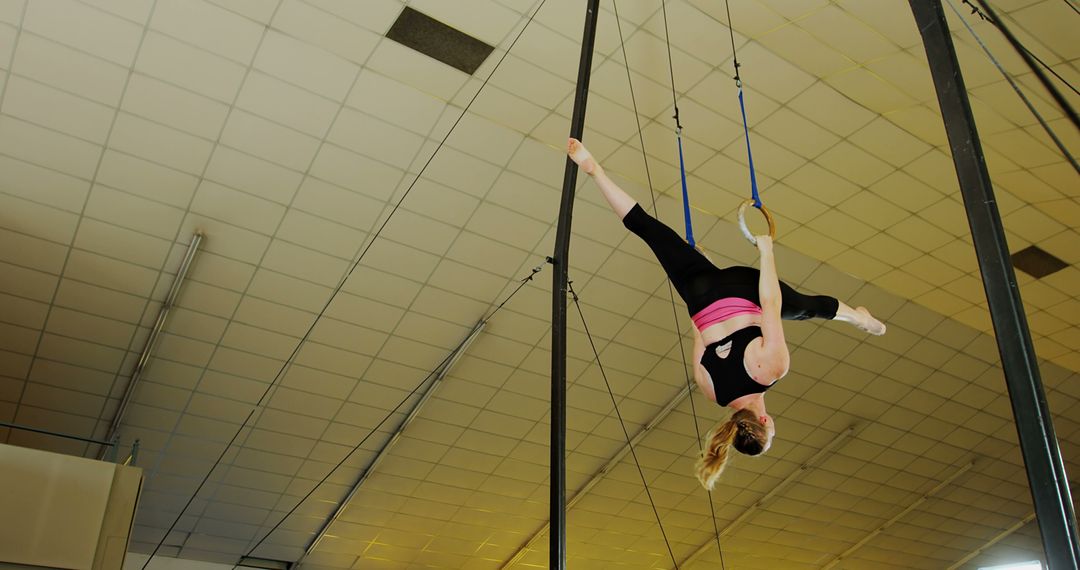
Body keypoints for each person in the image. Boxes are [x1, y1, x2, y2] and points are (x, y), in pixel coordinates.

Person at [567, 138, 886, 490]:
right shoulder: (711, 391)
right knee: (648, 229)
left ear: (764, 420)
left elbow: (772, 304)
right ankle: (593, 168)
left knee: (800, 308)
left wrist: (766, 252)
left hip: (743, 288)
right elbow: (697, 329)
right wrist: (696, 268)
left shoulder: (772, 370)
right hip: (701, 295)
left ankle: (860, 319)